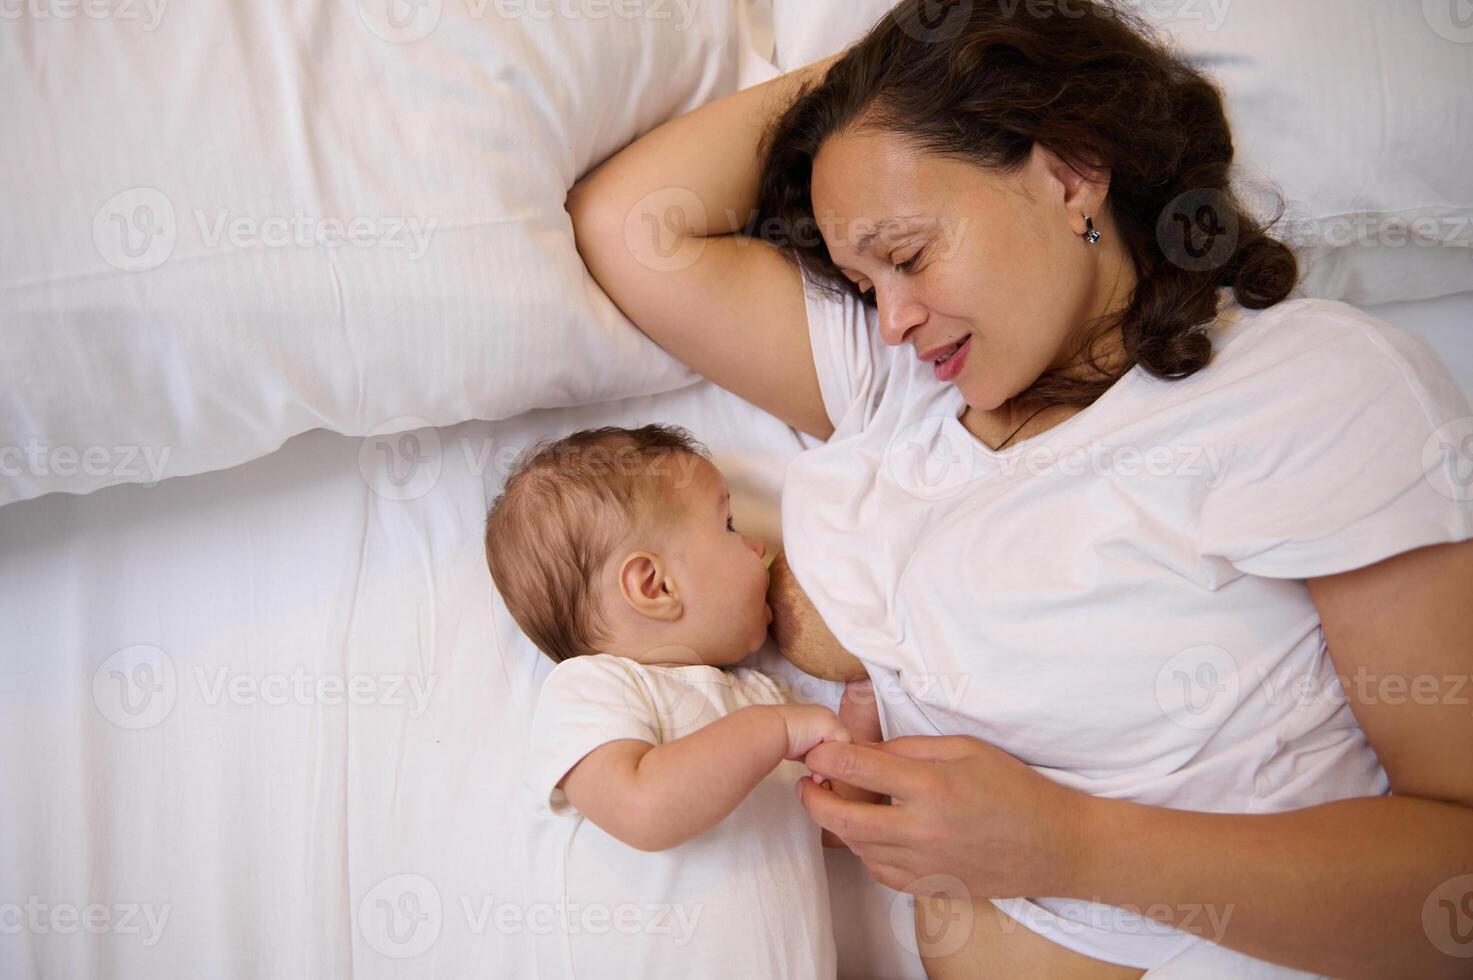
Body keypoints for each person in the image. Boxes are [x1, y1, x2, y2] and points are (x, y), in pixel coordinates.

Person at [564, 1, 1473, 977]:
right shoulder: (903, 389)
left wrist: (1068, 843)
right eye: (863, 282)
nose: (892, 316)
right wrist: (879, 76)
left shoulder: (1309, 390)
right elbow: (633, 225)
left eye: (906, 253)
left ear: (1072, 172)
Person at [488, 424, 880, 979]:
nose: (757, 546)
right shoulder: (592, 688)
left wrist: (860, 703)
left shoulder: (763, 696)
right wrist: (774, 732)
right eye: (728, 526)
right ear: (654, 585)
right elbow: (642, 808)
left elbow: (837, 825)